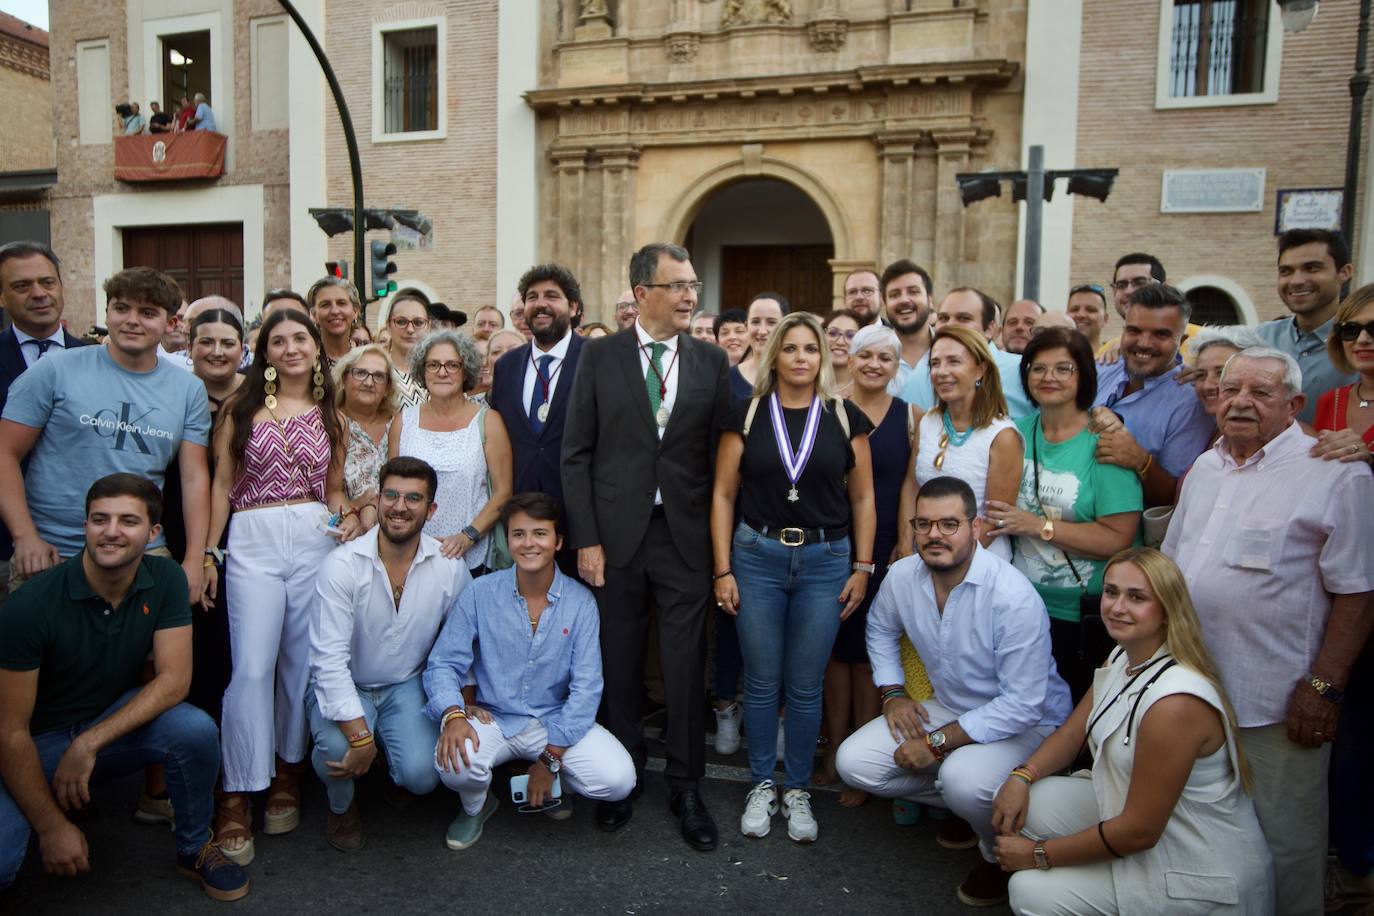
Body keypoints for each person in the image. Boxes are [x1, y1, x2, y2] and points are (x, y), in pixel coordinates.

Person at [1163, 347, 1374, 915]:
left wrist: (1324, 688)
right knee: (1204, 833)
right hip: (1195, 691)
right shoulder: (1206, 466)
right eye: (1231, 390)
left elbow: (1359, 592)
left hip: (1279, 703)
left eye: (1261, 393)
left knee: (1286, 846)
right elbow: (1173, 564)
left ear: (1294, 404)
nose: (1241, 403)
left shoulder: (1336, 473)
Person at [0, 474, 249, 900]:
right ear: (85, 526)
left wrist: (88, 744)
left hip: (98, 728)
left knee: (193, 729)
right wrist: (52, 827)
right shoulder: (31, 605)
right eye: (100, 519)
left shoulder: (165, 578)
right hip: (30, 746)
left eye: (127, 521)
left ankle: (194, 848)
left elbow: (175, 682)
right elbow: (10, 733)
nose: (111, 531)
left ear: (153, 532)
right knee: (4, 862)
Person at [562, 242, 731, 850]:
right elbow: (575, 452)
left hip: (684, 539)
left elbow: (730, 450)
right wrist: (587, 539)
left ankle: (686, 786)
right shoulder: (599, 357)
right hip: (615, 540)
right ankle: (622, 779)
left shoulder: (712, 363)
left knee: (686, 669)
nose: (691, 295)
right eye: (678, 285)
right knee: (619, 663)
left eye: (693, 286)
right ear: (642, 295)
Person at [993, 548, 1273, 916]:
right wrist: (1020, 776)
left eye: (1136, 597)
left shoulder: (1175, 704)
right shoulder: (1125, 655)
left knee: (1029, 890)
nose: (1117, 607)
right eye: (1111, 592)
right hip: (1151, 828)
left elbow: (1139, 833)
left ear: (1167, 609)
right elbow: (1073, 732)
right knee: (1034, 798)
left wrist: (1038, 855)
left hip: (1198, 869)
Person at [835, 476, 1071, 908]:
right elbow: (881, 629)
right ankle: (972, 806)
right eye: (923, 525)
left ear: (975, 528)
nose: (933, 536)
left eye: (948, 524)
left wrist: (936, 743)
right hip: (951, 707)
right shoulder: (903, 576)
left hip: (1031, 724)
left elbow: (1022, 704)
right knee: (854, 764)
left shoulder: (1012, 596)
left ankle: (998, 852)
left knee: (961, 777)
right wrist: (892, 692)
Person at [711, 311, 876, 843]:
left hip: (827, 563)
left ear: (823, 357)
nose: (801, 358)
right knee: (760, 683)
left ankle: (798, 788)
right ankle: (763, 782)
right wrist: (722, 569)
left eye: (811, 348)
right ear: (775, 355)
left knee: (805, 687)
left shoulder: (846, 416)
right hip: (756, 557)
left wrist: (863, 568)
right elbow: (723, 495)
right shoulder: (748, 414)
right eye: (791, 348)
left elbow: (864, 497)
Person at [207, 308, 363, 865]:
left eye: (301, 338)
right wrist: (208, 552)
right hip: (252, 534)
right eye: (279, 341)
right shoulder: (241, 407)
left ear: (315, 347)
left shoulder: (331, 414)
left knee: (301, 665)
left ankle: (287, 774)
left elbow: (337, 488)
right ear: (265, 352)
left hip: (314, 536)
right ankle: (235, 792)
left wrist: (346, 516)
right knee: (251, 665)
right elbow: (222, 484)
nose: (291, 348)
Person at [425, 492, 635, 849]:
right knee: (454, 765)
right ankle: (477, 805)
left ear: (558, 541)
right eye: (519, 534)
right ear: (508, 541)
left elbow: (586, 689)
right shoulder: (480, 593)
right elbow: (443, 662)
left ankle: (555, 782)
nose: (529, 543)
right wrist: (454, 714)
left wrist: (550, 759)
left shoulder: (581, 602)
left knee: (618, 780)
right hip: (493, 717)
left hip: (552, 719)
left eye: (540, 533)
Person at [0, 267, 212, 608]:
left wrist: (193, 559)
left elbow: (194, 477)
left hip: (142, 553)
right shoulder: (54, 370)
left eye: (147, 313)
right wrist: (25, 537)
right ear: (107, 312)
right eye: (121, 308)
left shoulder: (188, 390)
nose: (132, 321)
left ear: (171, 324)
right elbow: (5, 452)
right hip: (53, 550)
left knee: (147, 658)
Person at [308, 457, 471, 851]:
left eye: (414, 498)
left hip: (406, 685)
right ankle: (342, 804)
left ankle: (390, 765)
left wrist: (460, 710)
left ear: (431, 510)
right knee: (338, 747)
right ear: (378, 500)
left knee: (422, 776)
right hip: (349, 683)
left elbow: (460, 647)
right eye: (392, 495)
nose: (400, 506)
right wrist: (361, 738)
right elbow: (327, 662)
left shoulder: (450, 568)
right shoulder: (341, 566)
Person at [984, 327, 1142, 701]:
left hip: (1084, 614)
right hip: (1021, 608)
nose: (1048, 378)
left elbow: (1118, 538)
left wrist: (1039, 527)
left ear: (1084, 375)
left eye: (1062, 369)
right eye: (1038, 369)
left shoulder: (1105, 442)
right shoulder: (1011, 434)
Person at [819, 323, 915, 799]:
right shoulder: (828, 406)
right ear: (850, 358)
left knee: (872, 655)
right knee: (836, 653)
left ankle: (861, 757)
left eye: (886, 358)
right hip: (835, 542)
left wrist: (905, 542)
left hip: (885, 549)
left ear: (897, 367)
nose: (875, 365)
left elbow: (909, 486)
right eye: (866, 356)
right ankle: (835, 749)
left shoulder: (909, 415)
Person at [0, 242, 91, 601]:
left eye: (47, 282)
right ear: (3, 298)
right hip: (7, 546)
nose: (38, 293)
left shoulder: (94, 358)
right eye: (22, 286)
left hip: (84, 542)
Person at [895, 325, 1023, 562]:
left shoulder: (1002, 436)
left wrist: (950, 560)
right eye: (935, 363)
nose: (941, 372)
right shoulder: (929, 421)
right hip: (922, 554)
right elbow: (912, 486)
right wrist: (905, 544)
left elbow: (996, 518)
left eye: (954, 361)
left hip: (978, 558)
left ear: (980, 370)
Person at [390, 329, 512, 573]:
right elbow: (392, 490)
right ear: (422, 371)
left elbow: (503, 492)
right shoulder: (403, 422)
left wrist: (467, 537)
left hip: (472, 557)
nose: (442, 372)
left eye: (452, 365)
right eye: (433, 364)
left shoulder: (488, 421)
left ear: (465, 370)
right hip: (412, 556)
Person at [488, 264, 584, 571]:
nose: (540, 303)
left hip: (579, 522)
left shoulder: (597, 358)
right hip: (520, 521)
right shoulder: (507, 367)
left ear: (573, 306)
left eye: (551, 296)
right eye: (532, 296)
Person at [1090, 283, 1212, 507]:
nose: (1144, 344)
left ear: (1181, 341)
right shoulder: (1101, 370)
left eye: (1161, 335)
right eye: (1134, 331)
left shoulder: (1191, 403)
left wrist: (1141, 461)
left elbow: (1173, 500)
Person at [1259, 229, 1359, 423]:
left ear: (1344, 273)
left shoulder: (1361, 344)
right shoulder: (1259, 339)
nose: (1296, 281)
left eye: (1312, 268)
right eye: (1286, 271)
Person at [902, 287, 1034, 418]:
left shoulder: (1022, 371)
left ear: (989, 329)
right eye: (943, 318)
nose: (950, 325)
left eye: (963, 318)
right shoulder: (919, 378)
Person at [333, 344, 399, 512]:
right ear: (344, 379)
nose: (369, 382)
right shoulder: (330, 425)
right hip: (345, 527)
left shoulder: (399, 426)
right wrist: (354, 509)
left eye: (378, 376)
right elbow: (328, 492)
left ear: (387, 388)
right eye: (360, 373)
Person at [1189, 325, 1264, 446]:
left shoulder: (1267, 436)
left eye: (1221, 373)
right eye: (1200, 375)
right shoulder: (1213, 428)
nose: (1207, 386)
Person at [880, 259, 935, 395]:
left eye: (913, 292)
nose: (904, 300)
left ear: (929, 300)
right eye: (895, 295)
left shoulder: (952, 352)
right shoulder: (872, 356)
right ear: (884, 303)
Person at [729, 293, 789, 400]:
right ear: (747, 326)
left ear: (786, 327)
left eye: (771, 322)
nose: (762, 331)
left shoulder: (798, 376)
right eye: (755, 322)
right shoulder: (727, 379)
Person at [380, 290, 433, 409]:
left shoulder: (438, 372)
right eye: (401, 322)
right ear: (388, 325)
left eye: (418, 322)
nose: (410, 329)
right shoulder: (377, 372)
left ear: (429, 326)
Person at [308, 276, 361, 367]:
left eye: (341, 303)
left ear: (355, 311)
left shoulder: (368, 356)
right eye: (325, 305)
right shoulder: (306, 360)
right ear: (314, 315)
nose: (335, 311)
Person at [823, 309, 861, 400]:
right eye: (832, 333)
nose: (840, 342)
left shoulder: (867, 389)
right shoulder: (807, 384)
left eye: (850, 336)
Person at [1066, 283, 1109, 352]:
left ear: (1105, 319)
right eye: (1075, 309)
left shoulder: (1118, 360)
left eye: (1091, 310)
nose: (1081, 315)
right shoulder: (1055, 358)